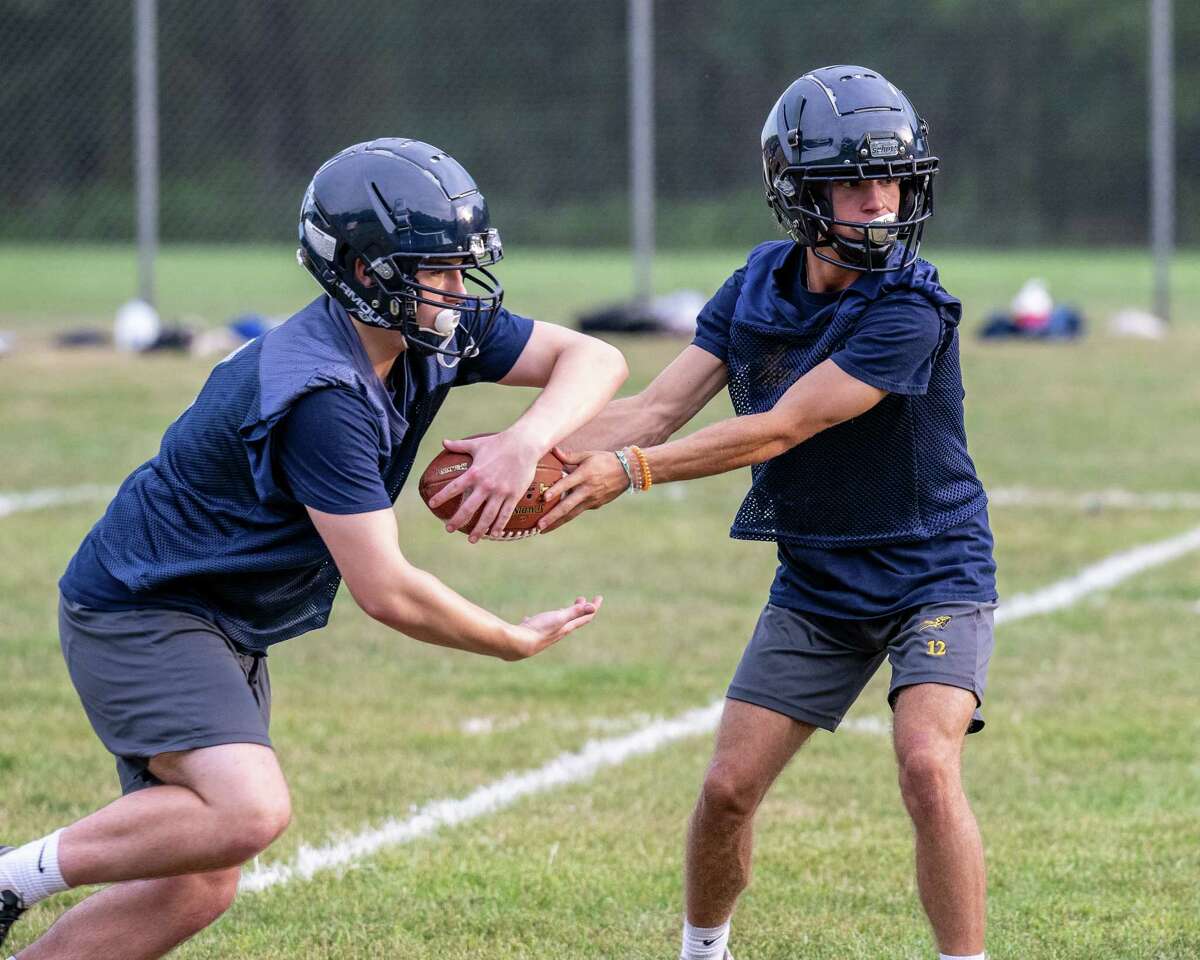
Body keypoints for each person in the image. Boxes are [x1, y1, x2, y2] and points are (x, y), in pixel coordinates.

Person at [0, 138, 627, 959]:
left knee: (198, 878)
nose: (454, 288)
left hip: (220, 616)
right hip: (146, 607)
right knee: (247, 812)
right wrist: (507, 639)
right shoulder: (324, 397)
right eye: (432, 267)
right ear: (363, 272)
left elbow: (597, 355)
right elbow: (386, 590)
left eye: (457, 264)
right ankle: (12, 879)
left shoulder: (418, 327)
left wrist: (526, 438)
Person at [540, 66, 997, 960]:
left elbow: (777, 430)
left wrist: (624, 473)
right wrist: (527, 447)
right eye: (855, 182)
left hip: (933, 567)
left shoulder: (912, 303)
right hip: (821, 574)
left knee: (926, 765)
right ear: (799, 191)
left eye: (893, 179)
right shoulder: (756, 281)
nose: (879, 201)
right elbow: (654, 410)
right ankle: (702, 953)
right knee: (727, 792)